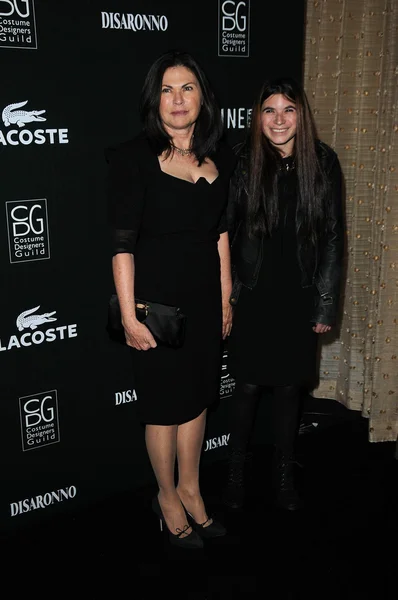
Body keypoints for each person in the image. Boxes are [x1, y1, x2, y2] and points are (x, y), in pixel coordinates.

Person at [106, 50, 236, 548]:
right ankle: (166, 497)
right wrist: (131, 316)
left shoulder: (221, 156)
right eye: (167, 89)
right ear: (153, 100)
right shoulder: (132, 157)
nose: (178, 99)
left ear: (203, 97)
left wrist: (225, 299)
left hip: (204, 301)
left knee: (197, 400)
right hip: (156, 308)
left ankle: (191, 488)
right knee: (163, 407)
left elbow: (221, 232)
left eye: (187, 88)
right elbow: (121, 245)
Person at [223, 76, 344, 511]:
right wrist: (226, 296)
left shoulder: (323, 162)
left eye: (288, 110)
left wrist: (325, 301)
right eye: (269, 110)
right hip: (253, 293)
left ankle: (283, 474)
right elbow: (224, 231)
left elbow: (332, 237)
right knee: (248, 386)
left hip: (299, 293)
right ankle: (235, 473)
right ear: (258, 117)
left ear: (301, 115)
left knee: (291, 388)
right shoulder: (242, 160)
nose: (278, 119)